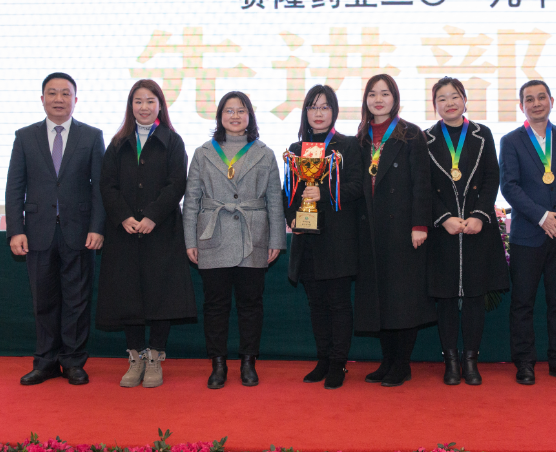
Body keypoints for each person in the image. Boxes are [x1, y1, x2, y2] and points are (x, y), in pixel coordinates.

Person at [5, 72, 105, 386]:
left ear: (75, 99)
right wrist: (15, 229)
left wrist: (97, 227)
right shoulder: (25, 136)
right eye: (52, 93)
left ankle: (73, 362)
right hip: (37, 232)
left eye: (65, 93)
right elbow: (15, 186)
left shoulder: (92, 136)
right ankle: (46, 362)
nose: (58, 99)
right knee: (44, 300)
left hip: (79, 232)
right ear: (42, 99)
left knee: (77, 300)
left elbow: (100, 187)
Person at [96, 79, 196, 388]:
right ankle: (135, 357)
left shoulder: (172, 141)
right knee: (129, 295)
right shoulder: (117, 143)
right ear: (131, 106)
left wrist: (152, 215)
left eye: (150, 101)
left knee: (161, 295)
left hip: (161, 230)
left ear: (160, 105)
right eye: (138, 101)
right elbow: (107, 185)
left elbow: (177, 183)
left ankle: (154, 357)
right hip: (124, 233)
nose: (144, 107)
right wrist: (124, 216)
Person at [183, 91, 286, 389]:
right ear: (220, 116)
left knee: (250, 304)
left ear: (250, 116)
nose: (235, 116)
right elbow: (191, 200)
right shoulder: (203, 152)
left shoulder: (265, 152)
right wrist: (189, 239)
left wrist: (276, 239)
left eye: (241, 110)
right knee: (215, 305)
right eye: (229, 111)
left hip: (253, 236)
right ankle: (218, 364)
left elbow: (274, 200)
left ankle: (248, 362)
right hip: (212, 235)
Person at [499, 80, 556, 386]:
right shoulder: (511, 141)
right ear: (521, 105)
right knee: (522, 303)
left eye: (541, 97)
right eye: (529, 99)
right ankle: (524, 362)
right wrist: (541, 217)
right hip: (528, 234)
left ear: (552, 100)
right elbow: (509, 186)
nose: (536, 103)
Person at [425, 77, 509, 386]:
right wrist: (443, 217)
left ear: (464, 100)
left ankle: (471, 360)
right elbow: (424, 186)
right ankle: (450, 360)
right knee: (446, 298)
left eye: (454, 96)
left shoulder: (482, 134)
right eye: (442, 98)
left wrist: (479, 215)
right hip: (443, 230)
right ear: (434, 105)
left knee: (475, 296)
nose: (449, 103)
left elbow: (491, 177)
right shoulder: (426, 138)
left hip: (477, 228)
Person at [354, 73, 435, 387]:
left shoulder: (411, 134)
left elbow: (422, 184)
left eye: (385, 93)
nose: (378, 99)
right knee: (381, 300)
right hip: (371, 231)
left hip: (403, 229)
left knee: (403, 299)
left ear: (395, 98)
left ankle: (402, 364)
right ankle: (387, 361)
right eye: (372, 94)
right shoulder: (361, 138)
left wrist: (419, 224)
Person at [283, 85, 362, 389]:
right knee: (316, 304)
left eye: (325, 107)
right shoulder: (295, 148)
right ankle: (323, 360)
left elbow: (356, 186)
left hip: (337, 238)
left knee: (338, 304)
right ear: (305, 112)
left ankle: (339, 363)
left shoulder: (347, 146)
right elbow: (288, 192)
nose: (319, 113)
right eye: (313, 107)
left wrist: (325, 193)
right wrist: (292, 216)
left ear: (334, 111)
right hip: (307, 239)